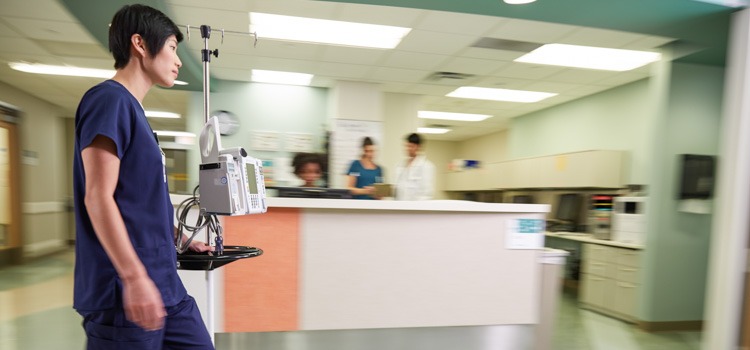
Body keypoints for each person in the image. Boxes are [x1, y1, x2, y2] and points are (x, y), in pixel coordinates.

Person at [72, 4, 214, 349]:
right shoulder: (109, 101)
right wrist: (133, 277)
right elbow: (98, 196)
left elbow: (138, 201)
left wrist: (178, 237)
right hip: (123, 292)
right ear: (139, 43)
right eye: (171, 48)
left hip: (164, 284)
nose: (178, 61)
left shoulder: (134, 112)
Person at [395, 133, 436, 200]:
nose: (408, 149)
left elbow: (427, 193)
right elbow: (398, 188)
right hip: (400, 205)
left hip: (416, 207)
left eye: (411, 146)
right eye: (407, 146)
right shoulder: (401, 165)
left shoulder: (426, 166)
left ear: (418, 147)